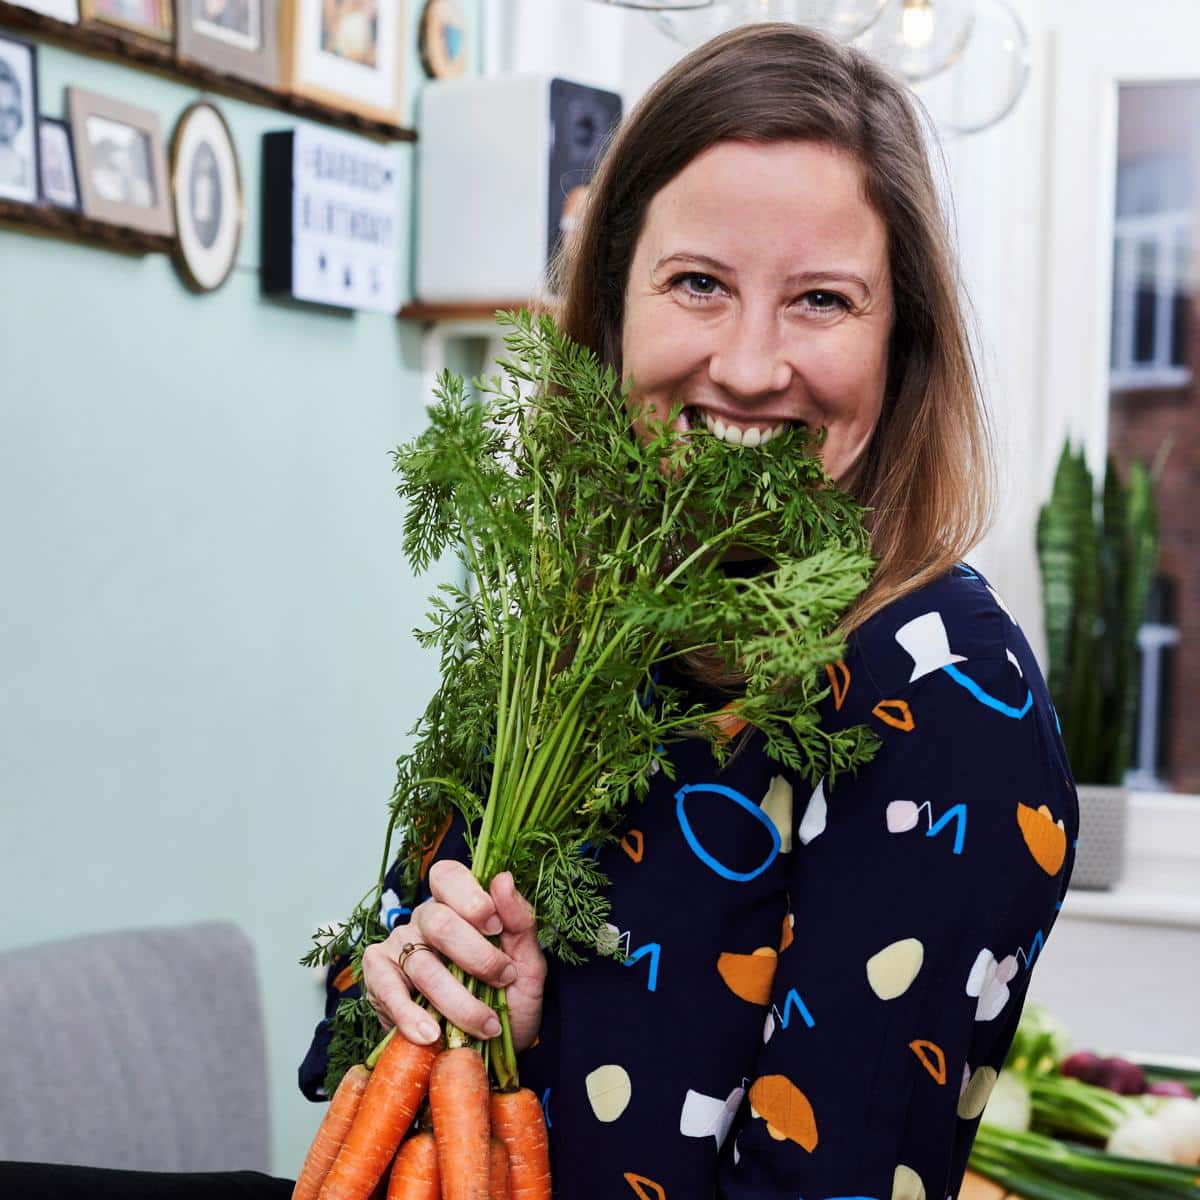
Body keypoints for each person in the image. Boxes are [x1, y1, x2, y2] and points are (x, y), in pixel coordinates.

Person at [0, 21, 1076, 1200]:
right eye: (699, 284)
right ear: (613, 311)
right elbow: (347, 1044)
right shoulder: (576, 632)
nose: (755, 365)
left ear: (901, 347)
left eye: (821, 300)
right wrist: (453, 995)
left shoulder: (947, 697)